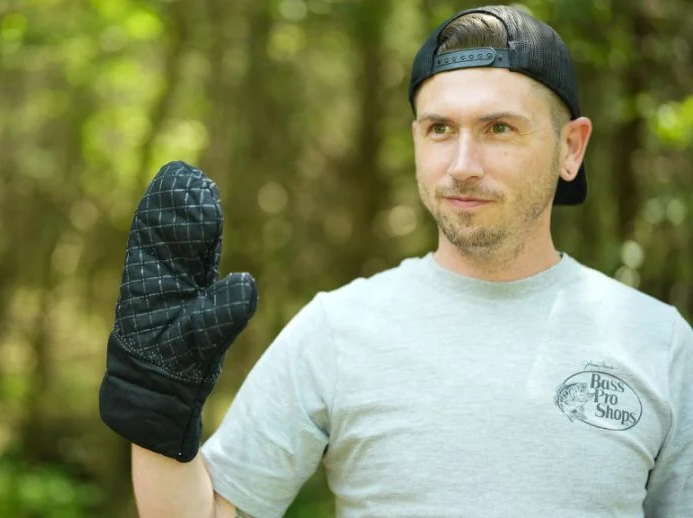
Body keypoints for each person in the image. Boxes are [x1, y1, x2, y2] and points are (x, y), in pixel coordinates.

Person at [99, 5, 693, 517]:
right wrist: (156, 409)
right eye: (440, 128)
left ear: (571, 148)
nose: (462, 164)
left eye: (499, 128)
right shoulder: (338, 328)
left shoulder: (658, 342)